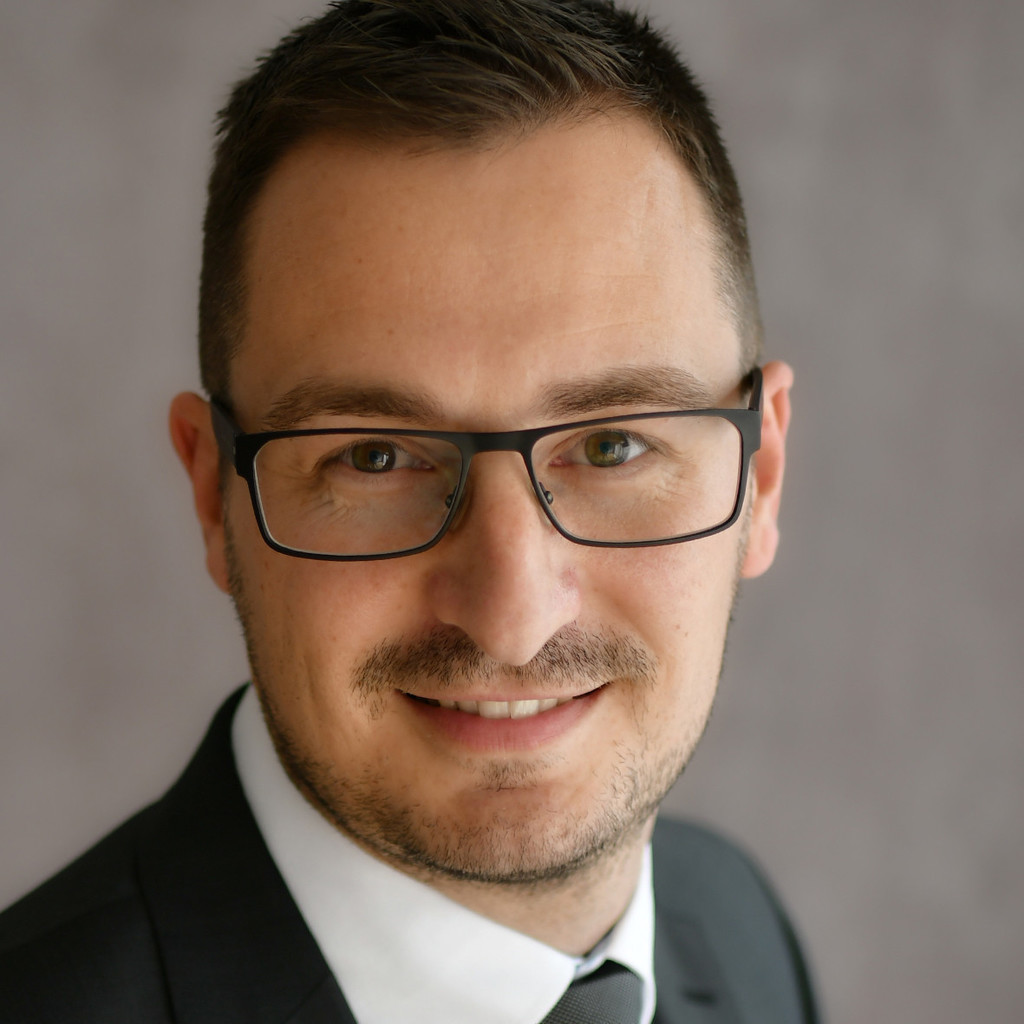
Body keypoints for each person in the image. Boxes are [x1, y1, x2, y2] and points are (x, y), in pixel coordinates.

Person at [0, 2, 817, 1021]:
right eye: (374, 457)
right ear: (215, 493)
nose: (512, 616)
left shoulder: (733, 928)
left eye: (612, 445)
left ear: (761, 472)